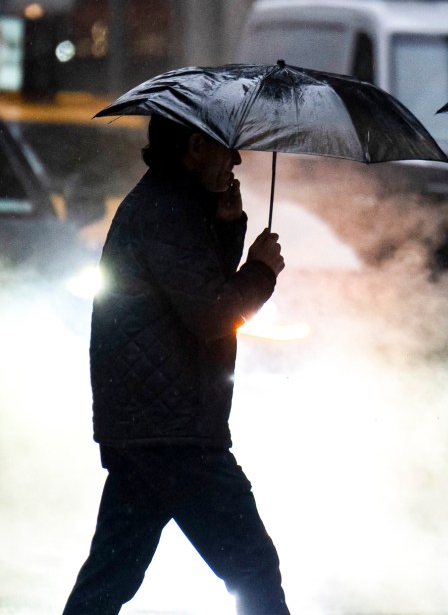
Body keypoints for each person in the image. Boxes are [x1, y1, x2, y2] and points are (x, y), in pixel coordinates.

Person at [63, 115, 289, 615]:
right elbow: (212, 314)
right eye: (227, 149)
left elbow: (193, 290)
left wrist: (228, 228)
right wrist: (261, 271)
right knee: (252, 565)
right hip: (174, 431)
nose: (237, 160)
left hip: (150, 424)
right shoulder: (167, 212)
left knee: (110, 575)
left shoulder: (170, 207)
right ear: (194, 147)